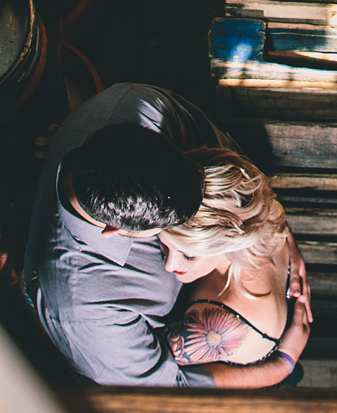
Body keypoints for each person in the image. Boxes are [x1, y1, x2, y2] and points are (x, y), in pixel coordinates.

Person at [23, 82, 302, 387]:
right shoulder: (87, 310)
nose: (171, 263)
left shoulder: (140, 106)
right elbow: (167, 388)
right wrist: (281, 367)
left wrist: (274, 230)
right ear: (117, 230)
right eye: (164, 238)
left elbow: (232, 168)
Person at [159, 147, 312, 387]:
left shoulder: (218, 325)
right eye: (164, 246)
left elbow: (150, 374)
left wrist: (284, 364)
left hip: (255, 381)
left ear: (230, 241)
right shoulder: (259, 211)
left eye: (188, 256)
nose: (170, 265)